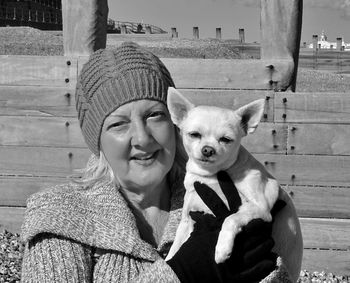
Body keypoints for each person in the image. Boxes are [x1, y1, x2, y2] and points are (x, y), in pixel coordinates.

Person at [20, 42, 302, 282]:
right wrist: (180, 274)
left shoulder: (230, 200)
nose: (142, 138)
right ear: (98, 142)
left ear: (175, 120)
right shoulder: (61, 217)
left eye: (154, 116)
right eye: (118, 124)